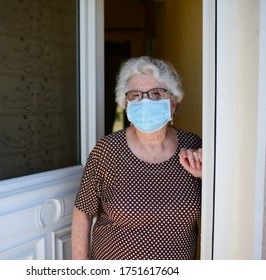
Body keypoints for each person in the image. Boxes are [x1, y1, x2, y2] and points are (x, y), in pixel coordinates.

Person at [72, 56, 203, 260]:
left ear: (173, 104)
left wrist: (207, 176)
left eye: (156, 94)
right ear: (126, 104)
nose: (145, 103)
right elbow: (83, 210)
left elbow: (222, 205)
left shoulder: (193, 147)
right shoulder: (107, 150)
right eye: (136, 96)